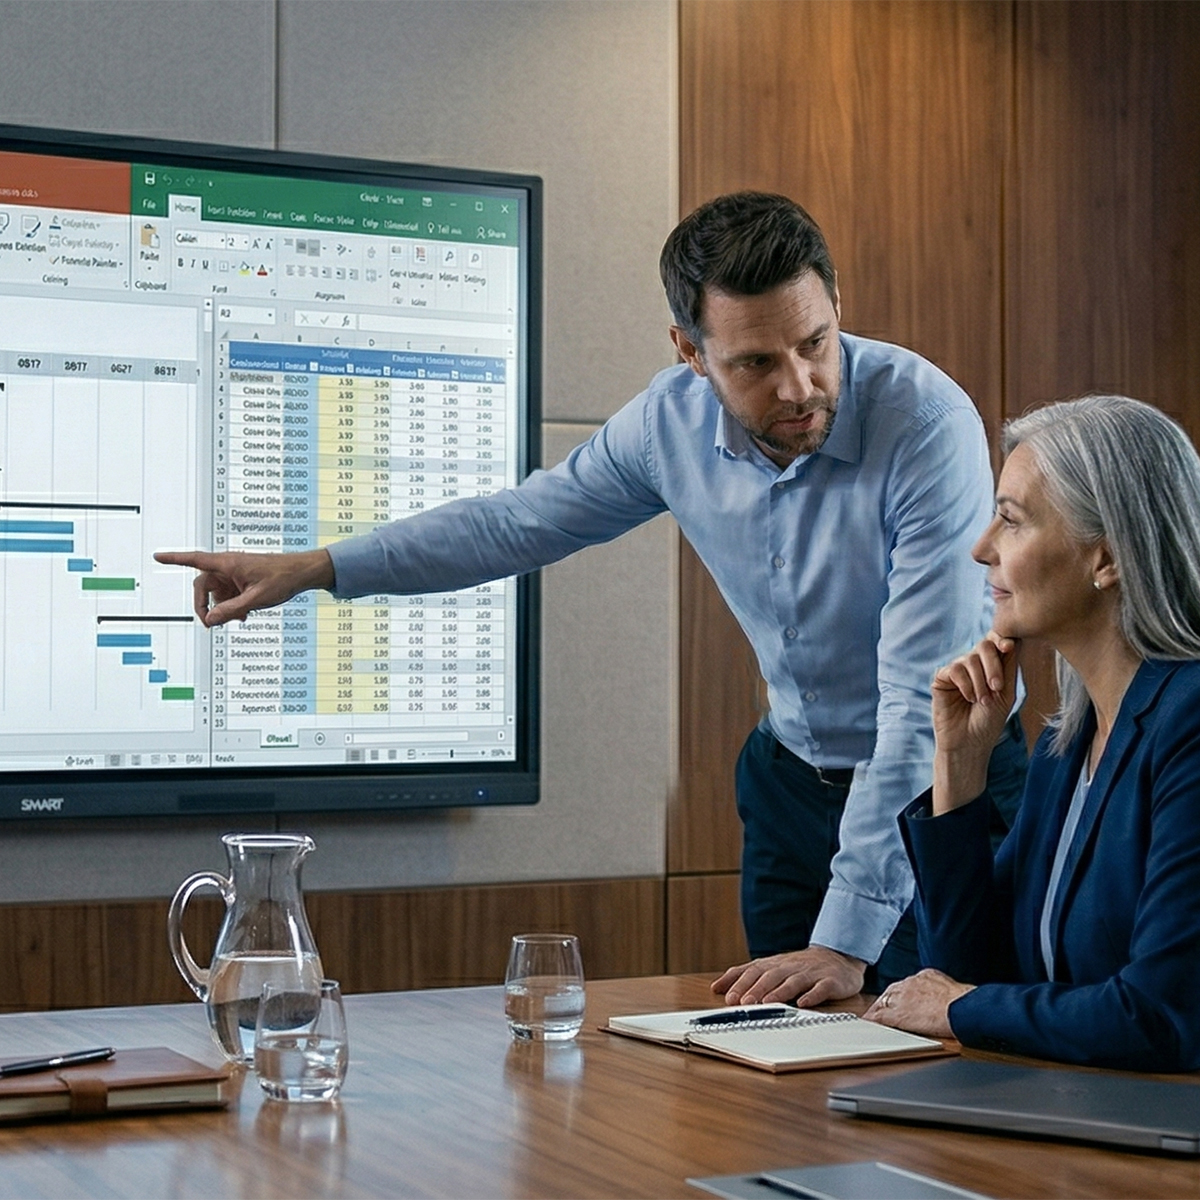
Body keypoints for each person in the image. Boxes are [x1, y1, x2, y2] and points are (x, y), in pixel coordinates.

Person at [157, 192, 1025, 1005]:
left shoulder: (925, 424)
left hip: (943, 784)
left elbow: (919, 706)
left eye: (815, 343)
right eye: (756, 363)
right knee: (785, 1054)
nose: (797, 386)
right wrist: (317, 567)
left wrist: (842, 941)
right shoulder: (667, 424)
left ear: (836, 302)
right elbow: (514, 525)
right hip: (790, 782)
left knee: (942, 1048)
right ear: (690, 352)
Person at [864, 395, 1200, 1071]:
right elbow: (967, 974)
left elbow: (1161, 1016)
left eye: (1011, 521)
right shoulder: (1065, 743)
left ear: (1106, 559)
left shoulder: (1189, 723)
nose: (981, 547)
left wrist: (957, 1007)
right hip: (1065, 1106)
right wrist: (959, 770)